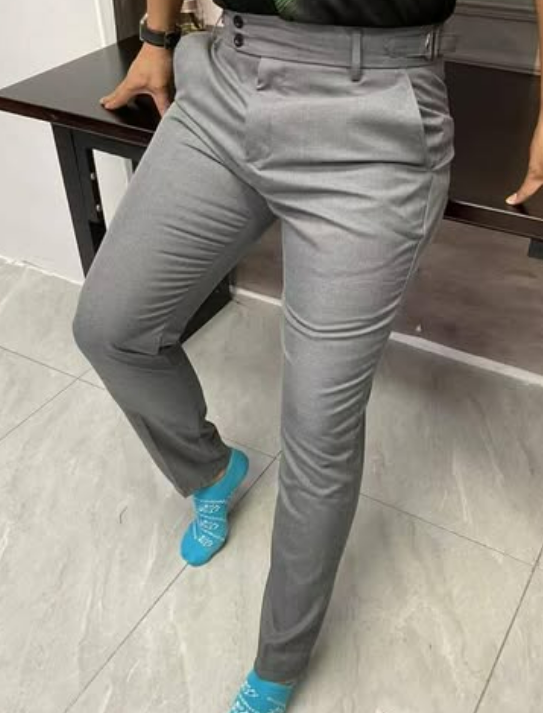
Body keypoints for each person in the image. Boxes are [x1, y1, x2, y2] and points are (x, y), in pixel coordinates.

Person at [72, 2, 543, 711]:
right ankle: (210, 470)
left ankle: (277, 665)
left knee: (318, 429)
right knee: (110, 325)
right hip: (227, 81)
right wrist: (157, 33)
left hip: (375, 109)